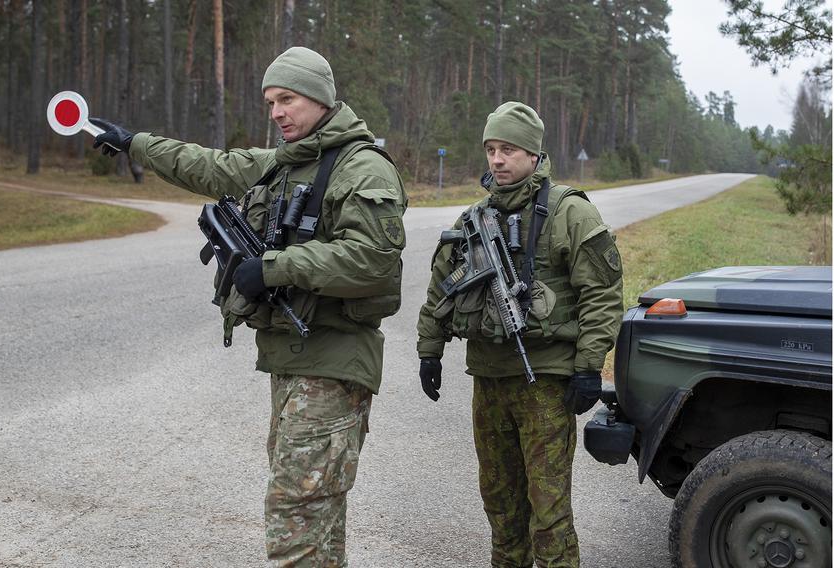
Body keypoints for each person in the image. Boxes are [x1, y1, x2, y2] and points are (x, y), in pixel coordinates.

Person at [91, 46, 407, 567]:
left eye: (288, 99)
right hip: (293, 364)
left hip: (332, 364)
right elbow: (210, 166)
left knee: (295, 516)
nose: (277, 112)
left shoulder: (361, 168)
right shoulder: (285, 163)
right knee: (314, 516)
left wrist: (274, 267)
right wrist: (133, 143)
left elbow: (371, 259)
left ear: (321, 99)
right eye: (270, 102)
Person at [416, 102, 623, 568]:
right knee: (500, 505)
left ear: (533, 154)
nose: (496, 160)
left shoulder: (570, 213)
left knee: (547, 511)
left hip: (545, 383)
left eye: (507, 149)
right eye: (490, 149)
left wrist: (589, 366)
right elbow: (439, 289)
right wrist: (430, 350)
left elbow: (603, 295)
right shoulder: (473, 218)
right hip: (488, 381)